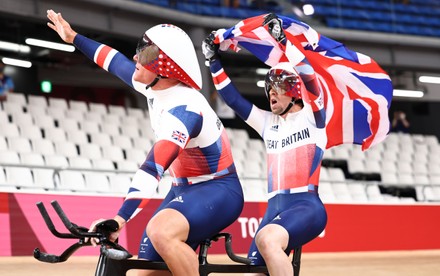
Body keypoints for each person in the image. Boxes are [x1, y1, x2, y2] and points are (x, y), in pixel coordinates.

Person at [47, 9, 244, 276]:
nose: (136, 56)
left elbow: (153, 168)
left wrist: (119, 219)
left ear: (167, 68)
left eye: (147, 53)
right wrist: (73, 38)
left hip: (218, 191)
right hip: (183, 190)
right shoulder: (152, 84)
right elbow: (112, 60)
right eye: (141, 48)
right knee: (140, 272)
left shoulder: (184, 110)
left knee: (160, 232)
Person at [202, 26, 327, 275]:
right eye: (268, 88)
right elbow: (234, 100)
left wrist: (284, 42)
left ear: (294, 90)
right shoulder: (268, 123)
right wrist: (213, 61)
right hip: (274, 208)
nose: (270, 93)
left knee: (268, 241)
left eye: (277, 88)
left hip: (306, 205)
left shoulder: (313, 118)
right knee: (253, 271)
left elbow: (310, 78)